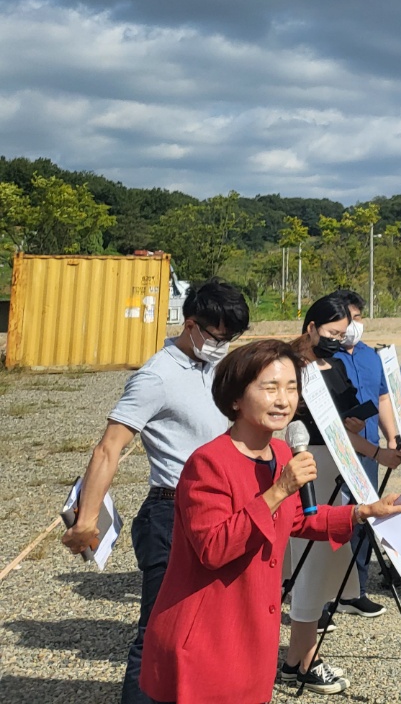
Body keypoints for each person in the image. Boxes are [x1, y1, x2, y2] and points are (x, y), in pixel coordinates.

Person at [138, 338, 401, 704]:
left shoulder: (281, 452)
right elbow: (213, 548)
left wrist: (363, 512)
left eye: (292, 388)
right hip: (209, 635)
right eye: (270, 387)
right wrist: (280, 489)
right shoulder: (209, 463)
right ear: (235, 398)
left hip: (254, 630)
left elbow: (297, 518)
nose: (284, 400)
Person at [62, 278, 250, 704]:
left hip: (222, 513)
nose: (222, 345)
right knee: (159, 635)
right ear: (191, 325)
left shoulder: (216, 367)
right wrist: (86, 521)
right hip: (172, 513)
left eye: (231, 338)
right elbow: (109, 448)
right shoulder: (156, 376)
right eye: (217, 336)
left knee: (207, 629)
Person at [281, 296, 401, 693]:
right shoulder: (288, 367)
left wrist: (371, 439)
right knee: (309, 566)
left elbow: (346, 422)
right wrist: (374, 451)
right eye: (332, 333)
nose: (338, 339)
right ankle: (303, 660)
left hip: (339, 467)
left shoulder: (332, 366)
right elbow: (313, 426)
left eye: (343, 332)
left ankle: (297, 659)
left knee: (327, 565)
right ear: (311, 327)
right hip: (306, 469)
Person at [323, 289, 399, 615]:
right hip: (333, 456)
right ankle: (324, 595)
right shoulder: (327, 360)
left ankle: (357, 590)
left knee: (367, 519)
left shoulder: (372, 356)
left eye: (358, 317)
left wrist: (392, 436)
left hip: (368, 456)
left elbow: (382, 398)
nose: (354, 325)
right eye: (347, 319)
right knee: (332, 519)